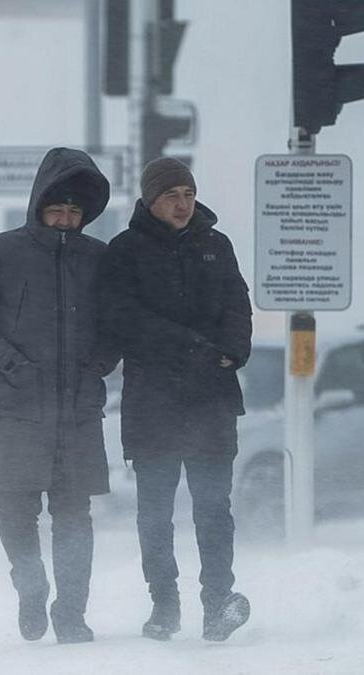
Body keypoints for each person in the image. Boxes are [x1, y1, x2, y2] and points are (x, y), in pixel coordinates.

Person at [0, 148, 120, 644]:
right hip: (18, 408)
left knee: (74, 515)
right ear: (38, 206)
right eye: (56, 209)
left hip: (78, 411)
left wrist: (98, 368)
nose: (66, 219)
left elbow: (117, 326)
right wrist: (10, 362)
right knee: (15, 512)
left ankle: (71, 613)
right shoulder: (0, 252)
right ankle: (30, 586)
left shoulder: (98, 259)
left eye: (74, 211)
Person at [104, 157, 253, 642]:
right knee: (155, 514)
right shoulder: (125, 251)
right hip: (154, 403)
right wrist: (195, 348)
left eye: (188, 194)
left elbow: (237, 304)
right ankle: (164, 606)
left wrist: (234, 350)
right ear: (151, 200)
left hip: (211, 400)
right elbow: (124, 319)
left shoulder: (216, 244)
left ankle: (217, 604)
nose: (183, 204)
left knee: (214, 508)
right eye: (172, 196)